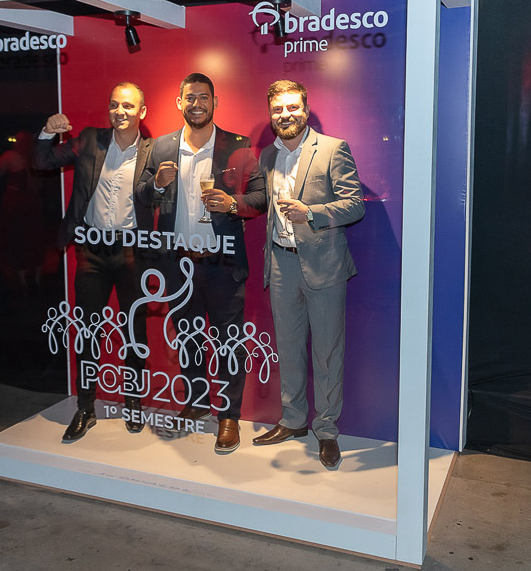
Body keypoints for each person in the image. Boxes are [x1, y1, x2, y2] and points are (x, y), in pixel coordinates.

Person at [135, 72, 262, 454]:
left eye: (203, 97)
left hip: (222, 263)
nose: (197, 104)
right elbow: (140, 193)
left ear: (214, 102)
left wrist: (233, 204)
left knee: (228, 342)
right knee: (189, 336)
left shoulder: (237, 146)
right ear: (179, 102)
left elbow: (260, 196)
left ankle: (229, 416)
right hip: (178, 264)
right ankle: (197, 401)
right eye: (190, 97)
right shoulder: (161, 146)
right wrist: (157, 184)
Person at [250, 79, 364, 469]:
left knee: (328, 352)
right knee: (289, 347)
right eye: (278, 109)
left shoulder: (333, 148)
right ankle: (294, 420)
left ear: (306, 108)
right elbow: (263, 203)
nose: (285, 115)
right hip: (281, 262)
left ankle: (326, 430)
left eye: (292, 107)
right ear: (271, 114)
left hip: (325, 265)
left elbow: (355, 204)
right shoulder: (268, 155)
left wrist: (311, 213)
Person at [34, 82, 155, 442]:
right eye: (115, 104)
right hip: (91, 250)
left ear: (142, 111)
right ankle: (85, 407)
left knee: (135, 332)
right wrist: (46, 132)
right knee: (88, 331)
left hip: (133, 251)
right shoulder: (89, 139)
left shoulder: (155, 150)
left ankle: (133, 403)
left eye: (128, 106)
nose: (120, 111)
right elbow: (42, 161)